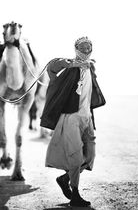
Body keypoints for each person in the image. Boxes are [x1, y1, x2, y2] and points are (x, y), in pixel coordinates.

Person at [40, 36, 105, 207]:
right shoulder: (70, 67)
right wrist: (70, 63)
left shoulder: (90, 67)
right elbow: (52, 66)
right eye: (82, 47)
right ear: (76, 48)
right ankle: (75, 194)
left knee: (90, 156)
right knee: (75, 157)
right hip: (71, 118)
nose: (85, 50)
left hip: (87, 118)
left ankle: (65, 179)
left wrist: (89, 67)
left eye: (88, 47)